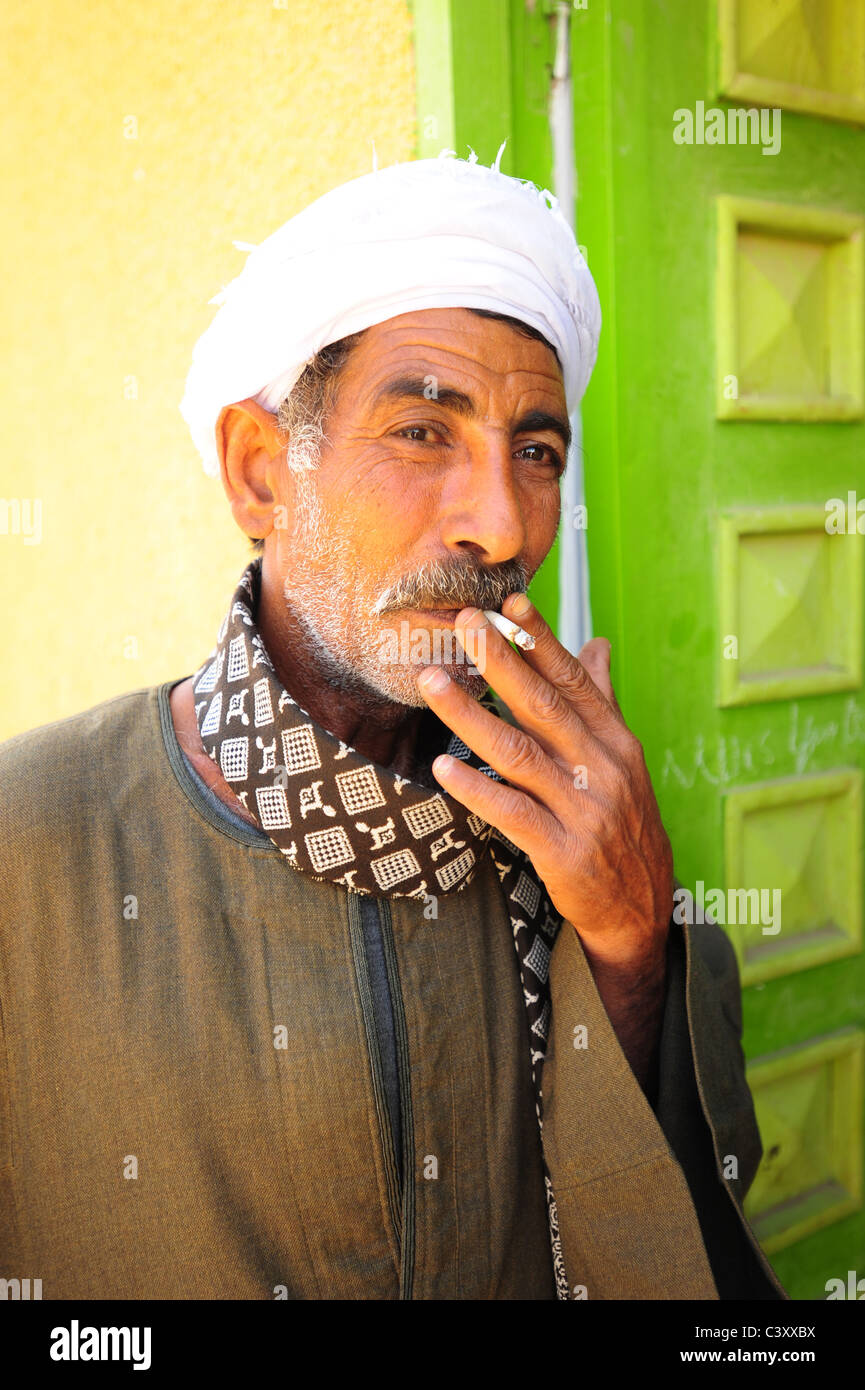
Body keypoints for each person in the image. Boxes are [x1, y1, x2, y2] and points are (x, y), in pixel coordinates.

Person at [0, 151, 785, 1300]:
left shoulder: (574, 825)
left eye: (535, 450)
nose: (500, 523)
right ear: (262, 473)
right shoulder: (34, 845)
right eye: (424, 429)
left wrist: (629, 946)